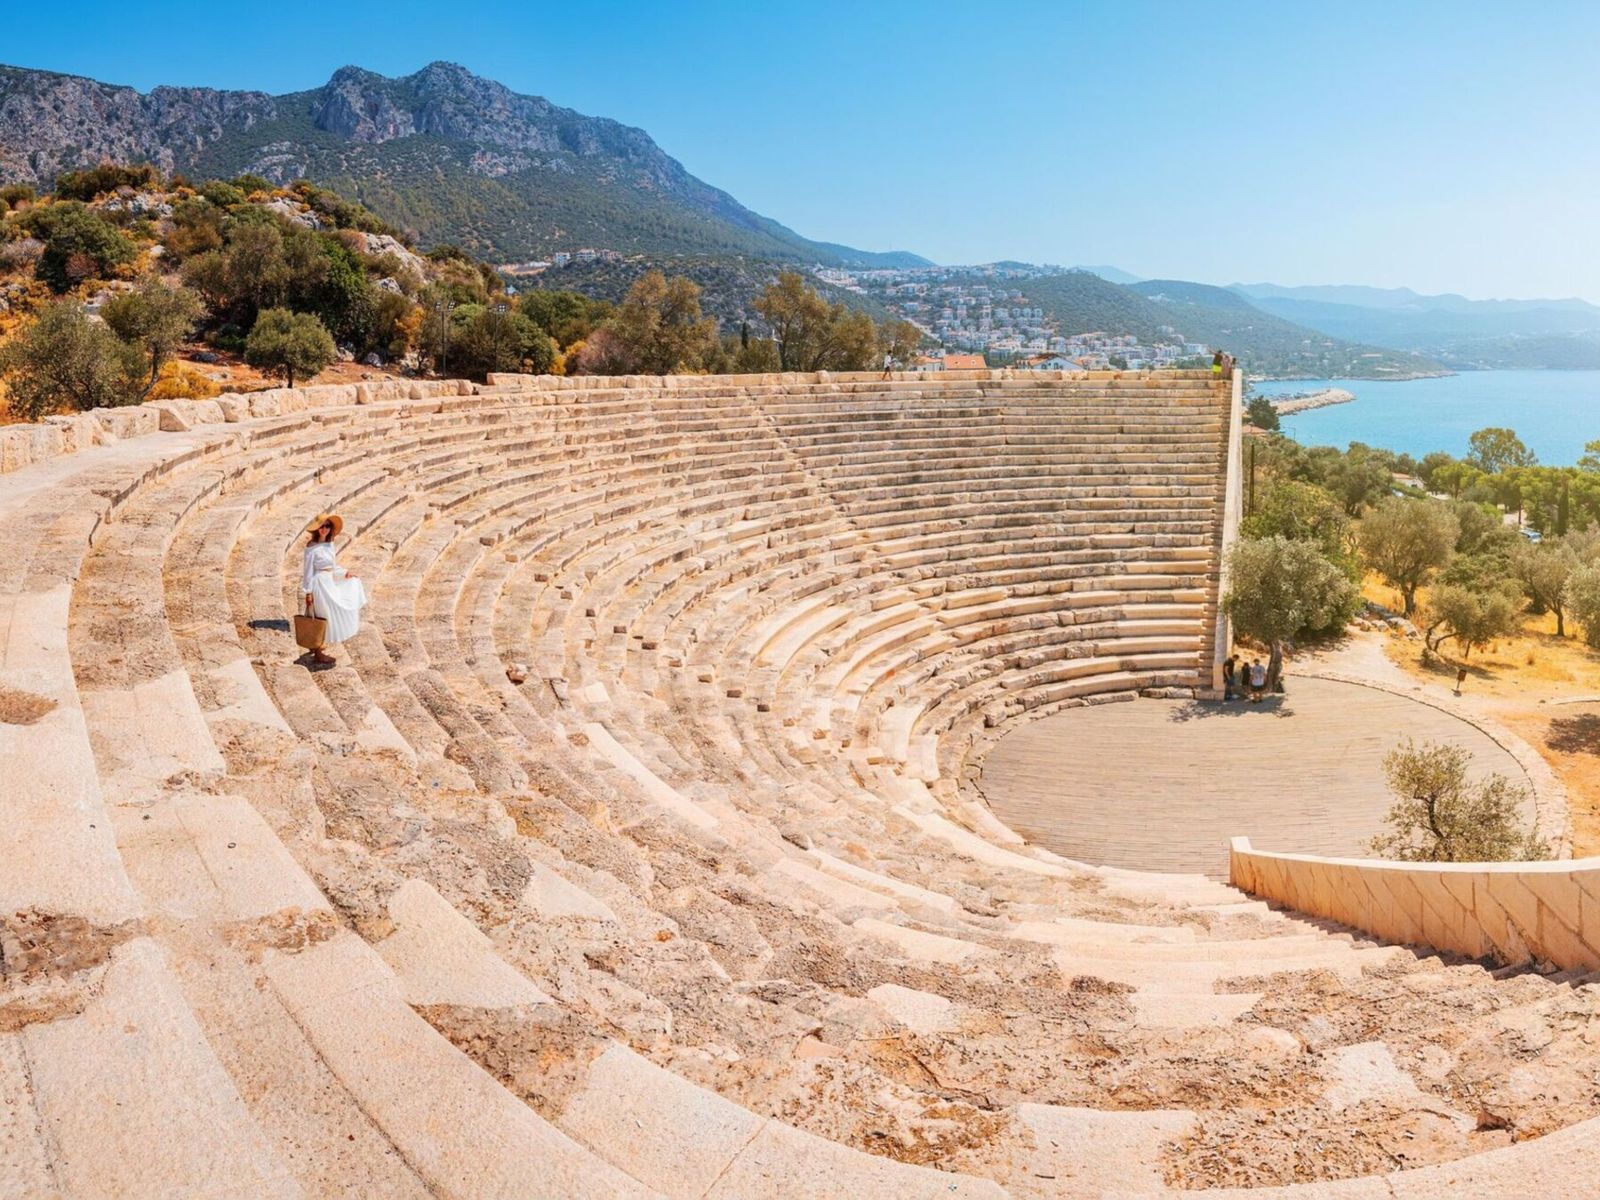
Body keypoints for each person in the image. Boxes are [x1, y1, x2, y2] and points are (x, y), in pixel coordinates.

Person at [300, 513, 368, 666]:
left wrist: (345, 573)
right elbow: (308, 572)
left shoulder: (329, 544)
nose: (325, 529)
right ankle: (318, 653)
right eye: (322, 526)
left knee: (334, 608)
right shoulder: (311, 548)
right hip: (319, 585)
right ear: (317, 529)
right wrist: (308, 592)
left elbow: (332, 567)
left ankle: (315, 645)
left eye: (328, 526)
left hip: (329, 581)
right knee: (321, 616)